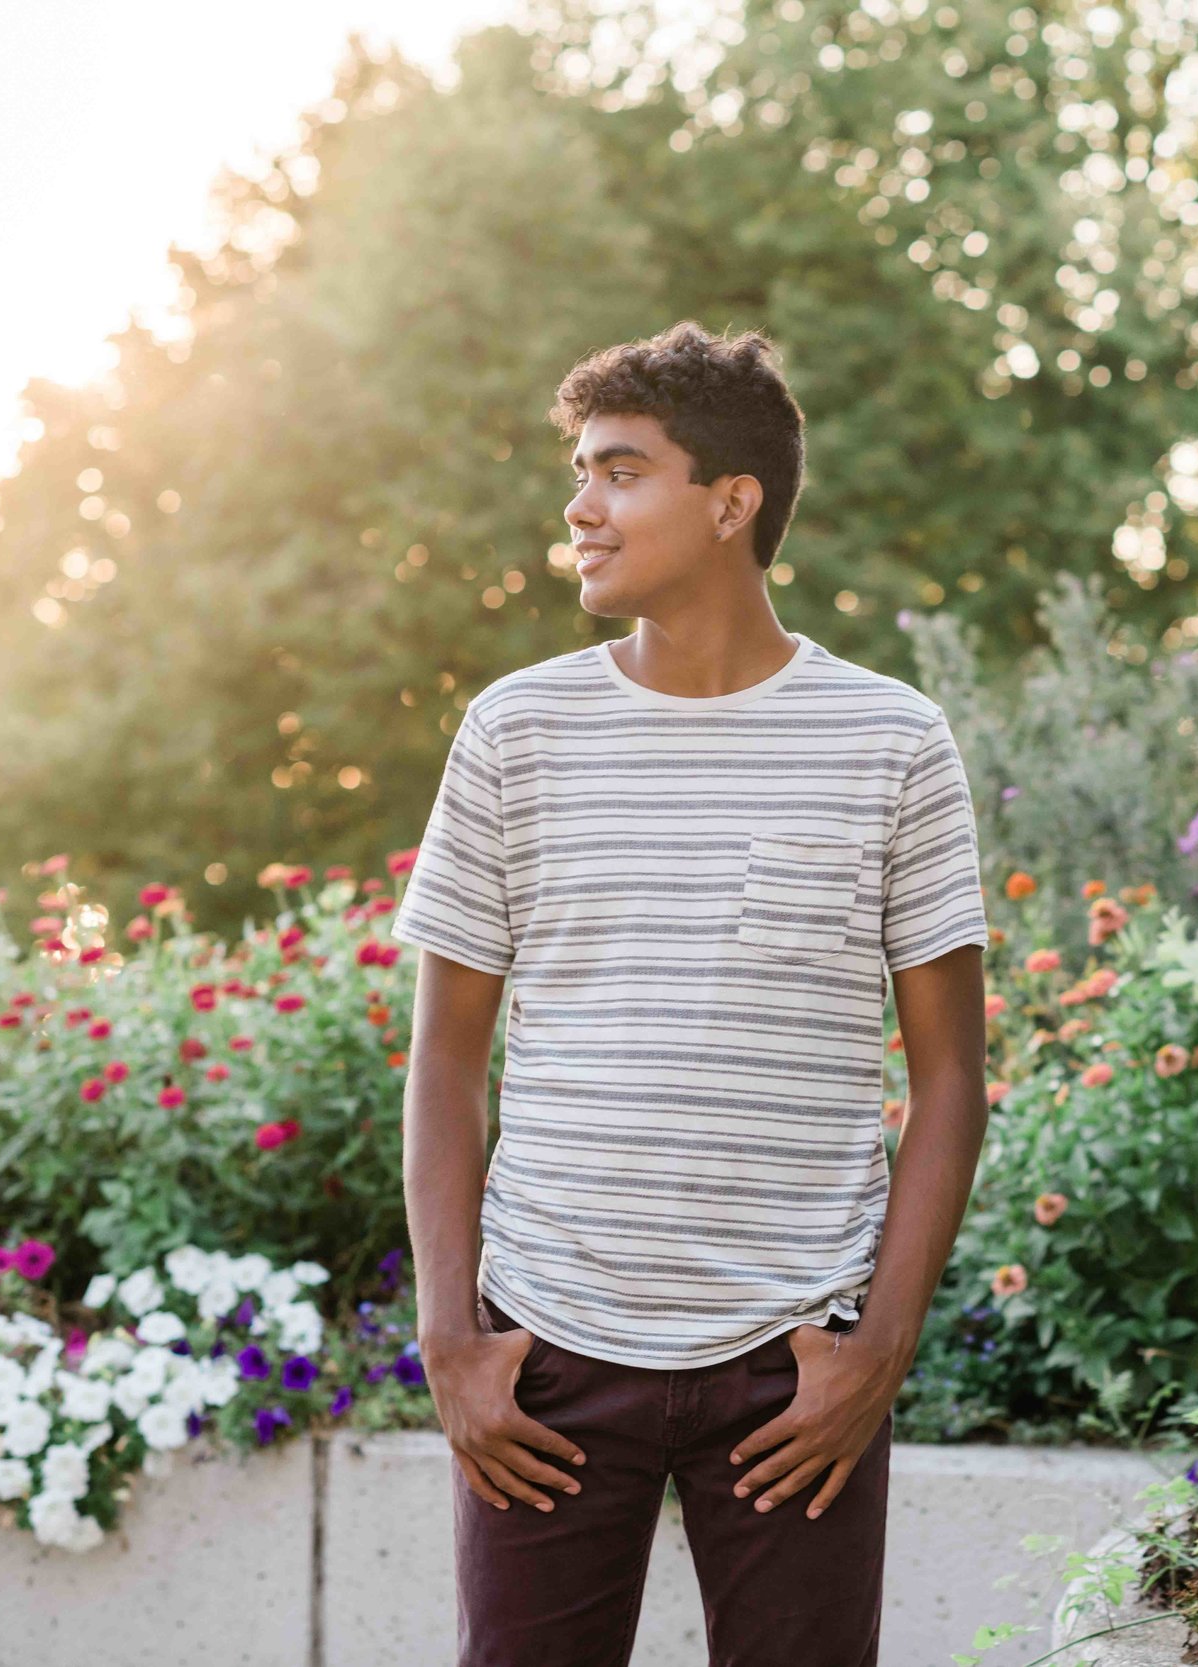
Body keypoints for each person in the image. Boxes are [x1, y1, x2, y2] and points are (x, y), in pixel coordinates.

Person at [390, 320, 993, 1667]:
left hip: (796, 1374)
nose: (580, 509)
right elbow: (444, 1060)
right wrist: (453, 1341)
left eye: (619, 472)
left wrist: (872, 1356)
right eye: (580, 473)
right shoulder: (515, 731)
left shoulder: (892, 742)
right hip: (544, 1359)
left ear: (732, 503)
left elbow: (952, 1076)